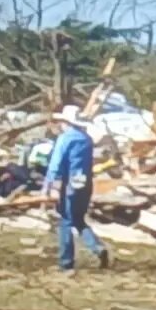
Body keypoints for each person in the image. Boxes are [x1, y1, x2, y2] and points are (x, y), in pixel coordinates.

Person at [42, 104, 110, 273]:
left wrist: (48, 185)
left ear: (66, 122)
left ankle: (66, 263)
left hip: (69, 183)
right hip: (85, 183)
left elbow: (56, 163)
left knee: (65, 221)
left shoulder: (65, 138)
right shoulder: (86, 139)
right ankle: (97, 247)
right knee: (78, 219)